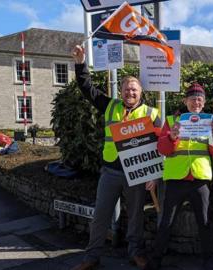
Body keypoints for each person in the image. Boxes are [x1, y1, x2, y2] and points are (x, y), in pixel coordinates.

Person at [70, 45, 161, 270]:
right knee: (101, 215)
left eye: (134, 90)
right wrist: (81, 64)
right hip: (110, 172)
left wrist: (156, 175)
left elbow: (163, 147)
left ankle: (135, 253)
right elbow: (87, 88)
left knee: (136, 218)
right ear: (121, 92)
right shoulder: (110, 106)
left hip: (138, 176)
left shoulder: (153, 114)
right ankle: (91, 257)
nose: (130, 93)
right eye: (127, 89)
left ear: (141, 93)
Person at [147, 82, 213, 270]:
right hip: (176, 178)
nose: (196, 102)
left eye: (199, 99)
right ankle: (155, 259)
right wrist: (172, 137)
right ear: (185, 101)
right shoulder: (171, 120)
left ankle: (209, 261)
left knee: (204, 222)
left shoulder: (210, 122)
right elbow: (163, 149)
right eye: (192, 99)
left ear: (204, 102)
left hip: (200, 178)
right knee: (166, 221)